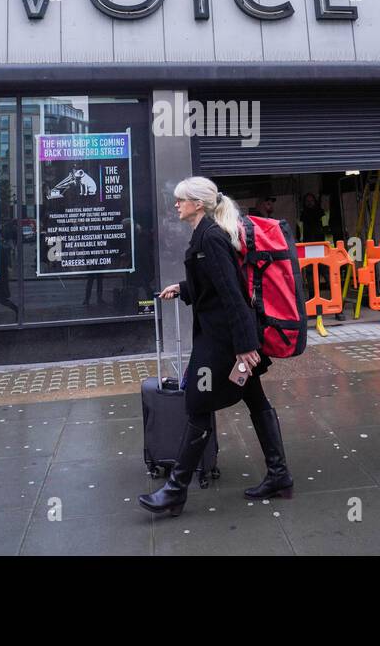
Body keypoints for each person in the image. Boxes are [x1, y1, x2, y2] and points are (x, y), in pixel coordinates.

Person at [139, 177, 293, 516]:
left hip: (224, 342)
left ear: (198, 204)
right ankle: (279, 475)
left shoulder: (210, 237)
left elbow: (232, 296)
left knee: (196, 404)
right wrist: (181, 288)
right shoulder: (205, 235)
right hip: (225, 339)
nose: (176, 204)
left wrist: (245, 347)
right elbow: (211, 283)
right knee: (255, 399)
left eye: (181, 200)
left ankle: (175, 491)